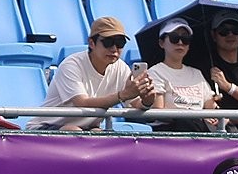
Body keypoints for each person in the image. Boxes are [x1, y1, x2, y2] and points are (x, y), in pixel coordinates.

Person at [27, 17, 155, 132]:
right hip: (44, 127)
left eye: (120, 43)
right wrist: (123, 95)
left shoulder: (121, 67)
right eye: (108, 42)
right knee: (74, 131)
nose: (114, 49)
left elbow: (134, 103)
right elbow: (81, 102)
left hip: (87, 129)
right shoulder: (72, 64)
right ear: (91, 43)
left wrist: (147, 99)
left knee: (98, 133)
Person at [148, 19, 219, 134]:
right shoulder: (155, 72)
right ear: (162, 43)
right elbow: (158, 110)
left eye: (185, 39)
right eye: (174, 38)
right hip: (172, 129)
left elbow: (210, 105)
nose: (180, 43)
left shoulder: (196, 73)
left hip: (199, 127)